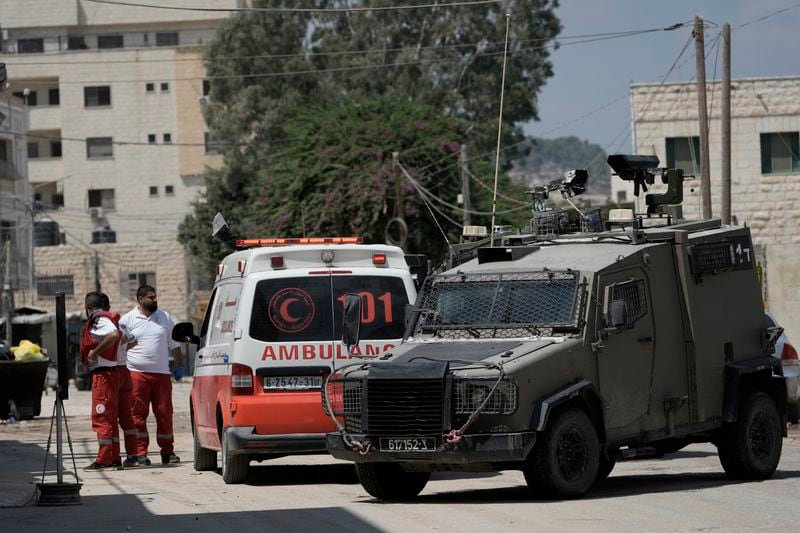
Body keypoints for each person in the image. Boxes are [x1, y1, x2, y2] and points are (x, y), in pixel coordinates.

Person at [120, 285, 184, 466]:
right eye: (150, 297)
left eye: (155, 297)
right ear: (140, 299)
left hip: (162, 375)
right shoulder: (128, 319)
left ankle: (168, 452)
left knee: (165, 414)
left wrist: (180, 365)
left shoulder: (164, 317)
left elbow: (174, 344)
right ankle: (140, 454)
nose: (155, 300)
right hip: (136, 374)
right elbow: (120, 346)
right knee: (137, 415)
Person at [79, 291, 122, 470]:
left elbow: (113, 335)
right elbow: (127, 339)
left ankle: (104, 458)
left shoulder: (99, 319)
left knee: (102, 416)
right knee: (110, 418)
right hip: (112, 372)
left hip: (104, 375)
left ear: (88, 307)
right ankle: (113, 457)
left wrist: (95, 353)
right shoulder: (110, 319)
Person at [99, 293, 139, 468]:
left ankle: (114, 457)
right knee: (127, 417)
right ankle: (133, 455)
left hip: (111, 372)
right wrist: (122, 350)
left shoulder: (102, 324)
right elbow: (133, 341)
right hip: (124, 371)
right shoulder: (120, 324)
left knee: (110, 416)